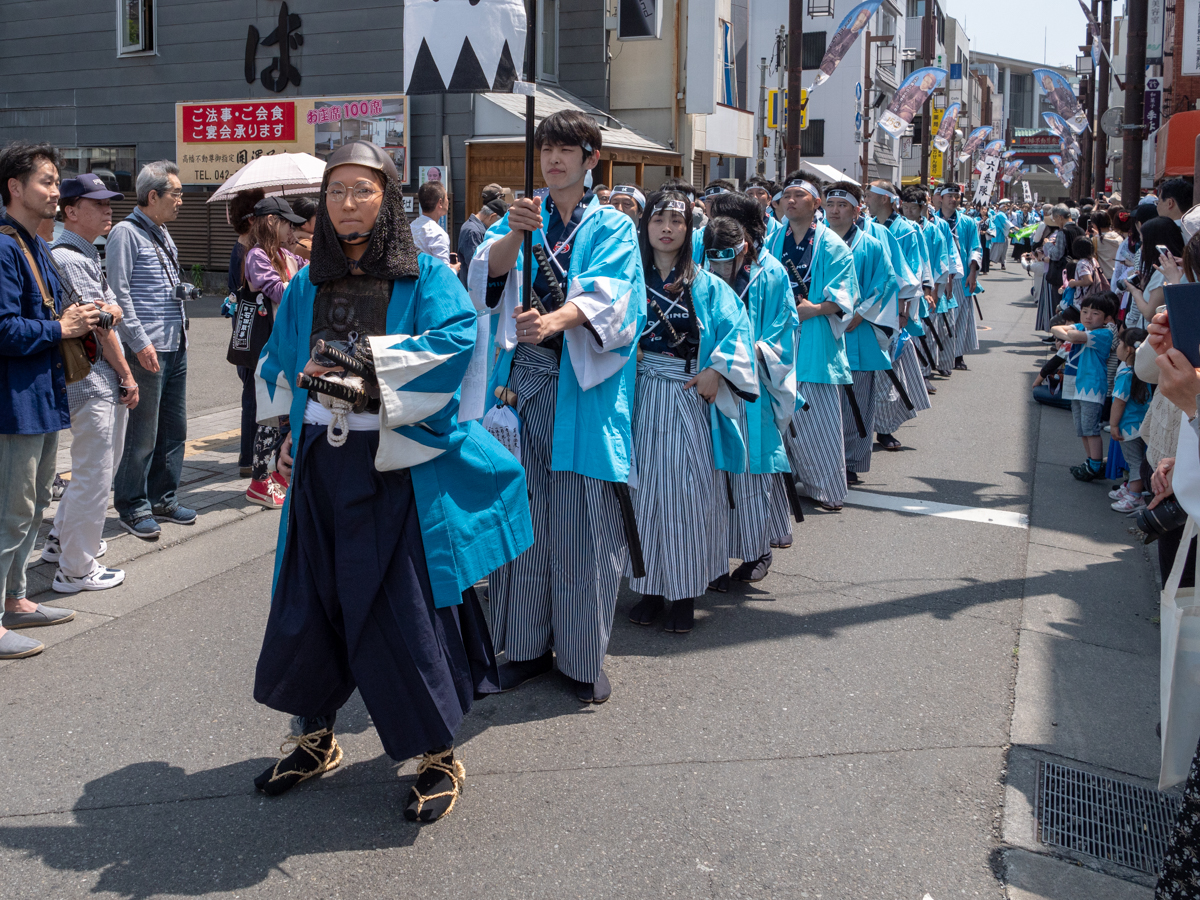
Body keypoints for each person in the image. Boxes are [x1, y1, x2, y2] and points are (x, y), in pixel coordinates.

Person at [250, 140, 532, 823]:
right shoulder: (303, 287)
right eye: (337, 191)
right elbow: (278, 364)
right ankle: (315, 737)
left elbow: (452, 344)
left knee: (400, 609)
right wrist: (279, 437)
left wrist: (352, 370)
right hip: (321, 461)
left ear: (389, 199)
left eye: (363, 191)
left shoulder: (427, 277)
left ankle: (438, 752)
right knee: (311, 602)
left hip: (392, 465)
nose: (347, 204)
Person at [469, 109, 645, 704]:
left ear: (592, 159)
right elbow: (483, 279)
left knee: (579, 526)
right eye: (547, 148)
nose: (554, 158)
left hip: (582, 384)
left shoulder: (611, 226)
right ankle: (520, 645)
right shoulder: (526, 214)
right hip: (521, 381)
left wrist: (552, 320)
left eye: (568, 149)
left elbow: (612, 298)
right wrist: (516, 233)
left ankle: (580, 655)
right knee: (521, 520)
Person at [626, 193, 756, 633]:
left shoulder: (705, 283)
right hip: (640, 395)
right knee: (643, 494)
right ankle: (648, 587)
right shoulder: (628, 279)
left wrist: (717, 370)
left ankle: (683, 593)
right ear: (645, 226)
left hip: (687, 393)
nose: (666, 228)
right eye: (658, 219)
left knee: (687, 495)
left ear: (688, 230)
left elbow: (739, 329)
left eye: (676, 221)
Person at [0, 142, 99, 659]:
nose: (56, 190)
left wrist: (93, 314)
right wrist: (61, 326)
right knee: (10, 510)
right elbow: (3, 328)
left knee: (35, 504)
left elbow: (57, 310)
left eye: (56, 180)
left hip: (40, 395)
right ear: (15, 188)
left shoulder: (33, 244)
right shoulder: (3, 246)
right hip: (13, 401)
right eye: (46, 181)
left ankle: (16, 600)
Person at [42, 174, 137, 594]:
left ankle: (60, 542)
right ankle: (75, 569)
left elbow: (110, 308)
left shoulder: (77, 253)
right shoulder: (72, 258)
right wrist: (127, 374)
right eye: (96, 203)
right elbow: (102, 324)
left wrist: (109, 309)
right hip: (93, 378)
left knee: (90, 471)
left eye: (108, 202)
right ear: (71, 211)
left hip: (85, 378)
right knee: (94, 475)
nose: (107, 209)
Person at [705, 191, 798, 576]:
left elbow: (784, 328)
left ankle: (757, 550)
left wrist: (742, 357)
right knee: (712, 473)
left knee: (750, 470)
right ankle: (710, 553)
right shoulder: (703, 259)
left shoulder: (770, 271)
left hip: (750, 384)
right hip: (708, 378)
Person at [107, 160, 194, 540]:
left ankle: (164, 498)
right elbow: (118, 293)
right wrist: (140, 342)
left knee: (174, 430)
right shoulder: (126, 233)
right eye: (175, 194)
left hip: (175, 343)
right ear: (153, 195)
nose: (181, 202)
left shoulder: (160, 232)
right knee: (142, 433)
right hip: (148, 348)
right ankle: (132, 504)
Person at [766, 174, 857, 511]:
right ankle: (782, 485)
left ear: (815, 203)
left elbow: (846, 295)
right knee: (779, 416)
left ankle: (828, 489)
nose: (790, 201)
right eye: (786, 195)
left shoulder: (833, 245)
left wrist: (816, 309)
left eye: (799, 195)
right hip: (780, 337)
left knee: (817, 421)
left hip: (815, 336)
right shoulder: (773, 240)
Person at [823, 181, 899, 481]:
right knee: (823, 403)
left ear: (857, 211)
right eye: (830, 205)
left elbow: (886, 281)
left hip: (859, 329)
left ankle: (852, 463)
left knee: (858, 402)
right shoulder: (818, 241)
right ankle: (824, 461)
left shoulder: (871, 245)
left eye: (842, 205)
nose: (835, 210)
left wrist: (862, 312)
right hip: (823, 328)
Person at [240, 196, 306, 509]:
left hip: (286, 345)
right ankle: (259, 481)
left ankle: (274, 478)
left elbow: (310, 279)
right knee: (269, 415)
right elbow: (281, 291)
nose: (292, 228)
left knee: (281, 414)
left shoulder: (286, 254)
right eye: (287, 222)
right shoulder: (256, 255)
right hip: (267, 348)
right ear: (271, 221)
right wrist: (300, 276)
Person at [864, 180, 931, 449]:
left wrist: (905, 309)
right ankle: (865, 427)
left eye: (869, 195)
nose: (866, 199)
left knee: (888, 371)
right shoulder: (864, 227)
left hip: (893, 307)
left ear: (884, 199)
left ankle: (886, 427)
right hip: (866, 304)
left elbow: (912, 269)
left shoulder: (907, 230)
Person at [1050, 291, 1117, 481]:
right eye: (1085, 311)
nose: (1088, 316)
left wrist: (1069, 333)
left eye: (1095, 313)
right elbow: (1056, 328)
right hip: (1076, 384)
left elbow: (1071, 335)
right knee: (1081, 428)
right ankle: (1090, 461)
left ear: (1107, 318)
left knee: (1090, 428)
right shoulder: (1082, 328)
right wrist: (1069, 332)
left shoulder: (1104, 333)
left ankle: (1095, 464)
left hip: (1091, 386)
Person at [226, 188, 267, 478]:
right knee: (253, 393)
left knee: (251, 391)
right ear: (253, 219)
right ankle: (249, 457)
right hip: (252, 329)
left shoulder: (242, 248)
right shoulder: (248, 252)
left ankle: (248, 456)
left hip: (242, 327)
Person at [936, 183, 982, 368]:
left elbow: (975, 247)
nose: (954, 200)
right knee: (940, 316)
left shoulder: (968, 222)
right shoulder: (933, 221)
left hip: (962, 277)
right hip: (939, 275)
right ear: (941, 198)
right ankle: (937, 355)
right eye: (950, 196)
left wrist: (973, 272)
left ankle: (957, 355)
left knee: (960, 318)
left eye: (957, 197)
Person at [1108, 327, 1152, 513]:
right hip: (1143, 424)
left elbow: (1119, 403)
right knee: (1139, 459)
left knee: (1134, 461)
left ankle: (1135, 497)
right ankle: (1131, 489)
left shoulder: (1126, 375)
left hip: (1128, 425)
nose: (1117, 347)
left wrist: (1113, 424)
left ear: (1128, 350)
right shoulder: (1147, 372)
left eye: (1119, 344)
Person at [457, 183, 507, 288]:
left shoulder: (475, 228)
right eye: (497, 222)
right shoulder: (473, 232)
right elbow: (477, 267)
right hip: (473, 293)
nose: (497, 226)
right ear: (492, 216)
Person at [410, 180, 460, 273]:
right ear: (440, 203)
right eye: (446, 198)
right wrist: (454, 269)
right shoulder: (438, 234)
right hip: (428, 285)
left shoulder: (410, 227)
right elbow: (442, 274)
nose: (448, 201)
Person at [288, 196, 318, 261]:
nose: (323, 221)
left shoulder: (298, 241)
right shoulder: (306, 246)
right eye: (318, 218)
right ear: (303, 223)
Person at [989, 202, 1009, 271]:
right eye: (1005, 207)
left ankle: (1003, 264)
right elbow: (1006, 224)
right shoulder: (1000, 214)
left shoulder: (1002, 214)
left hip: (1001, 235)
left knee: (1002, 251)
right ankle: (989, 261)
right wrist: (1012, 228)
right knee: (998, 250)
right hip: (999, 235)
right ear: (1001, 208)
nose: (1006, 208)